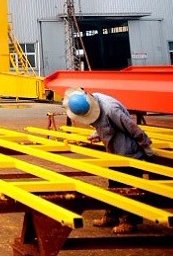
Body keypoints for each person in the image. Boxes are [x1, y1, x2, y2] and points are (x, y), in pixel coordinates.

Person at [63, 87, 155, 234]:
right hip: (113, 152)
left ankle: (130, 221)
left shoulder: (111, 109)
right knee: (114, 184)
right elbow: (102, 122)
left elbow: (133, 128)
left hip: (128, 152)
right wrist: (97, 134)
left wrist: (146, 147)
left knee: (129, 186)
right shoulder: (90, 103)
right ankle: (112, 215)